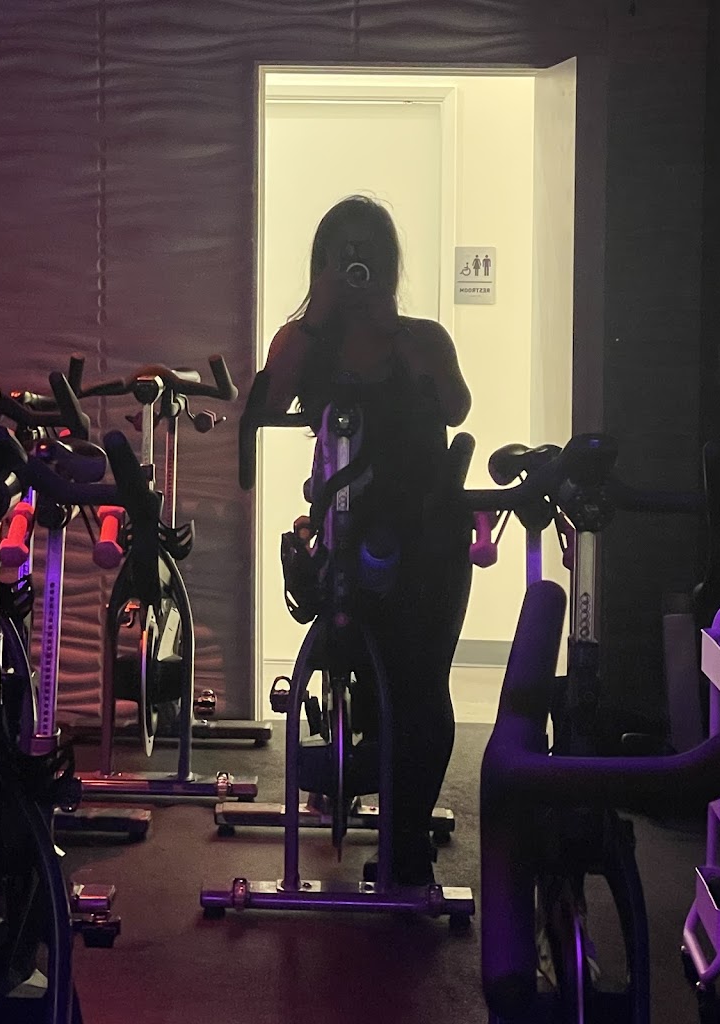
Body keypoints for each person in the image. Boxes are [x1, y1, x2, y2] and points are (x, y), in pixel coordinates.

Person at [261, 195, 473, 885]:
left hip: (427, 534)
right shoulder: (304, 341)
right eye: (342, 251)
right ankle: (351, 770)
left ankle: (406, 837)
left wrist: (396, 333)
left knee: (421, 683)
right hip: (344, 527)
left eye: (367, 252)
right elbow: (264, 407)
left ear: (387, 263)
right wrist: (317, 311)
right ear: (324, 260)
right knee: (361, 661)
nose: (356, 263)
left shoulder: (421, 337)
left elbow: (457, 405)